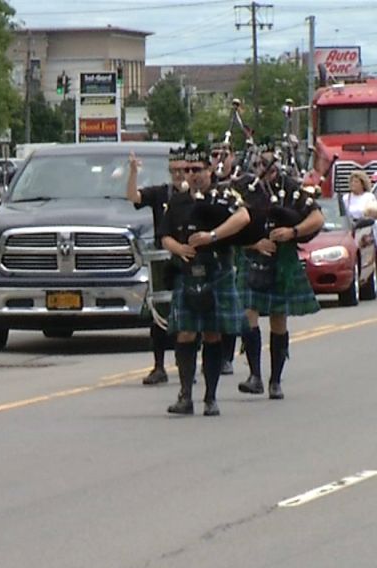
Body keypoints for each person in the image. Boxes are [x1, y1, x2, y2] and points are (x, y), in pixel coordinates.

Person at [158, 144, 252, 417]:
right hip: (187, 271)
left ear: (209, 170)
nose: (191, 174)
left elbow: (243, 217)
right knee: (185, 332)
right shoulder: (178, 200)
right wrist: (179, 248)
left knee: (213, 334)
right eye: (187, 170)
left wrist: (211, 237)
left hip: (217, 268)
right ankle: (185, 396)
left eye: (197, 169)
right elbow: (165, 235)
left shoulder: (223, 195)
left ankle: (210, 397)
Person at [236, 146, 324, 400]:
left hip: (282, 259)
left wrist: (292, 232)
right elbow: (227, 223)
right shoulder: (245, 188)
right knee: (247, 314)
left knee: (278, 318)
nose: (268, 171)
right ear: (255, 165)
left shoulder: (291, 188)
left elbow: (317, 218)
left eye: (271, 166)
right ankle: (255, 376)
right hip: (252, 256)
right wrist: (253, 243)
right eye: (262, 165)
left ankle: (275, 381)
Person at [126, 146, 187, 385]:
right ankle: (159, 366)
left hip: (190, 256)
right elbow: (133, 197)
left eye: (183, 170)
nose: (179, 175)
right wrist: (132, 172)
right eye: (175, 171)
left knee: (190, 314)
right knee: (159, 314)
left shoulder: (199, 196)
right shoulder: (161, 193)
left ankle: (189, 365)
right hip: (163, 258)